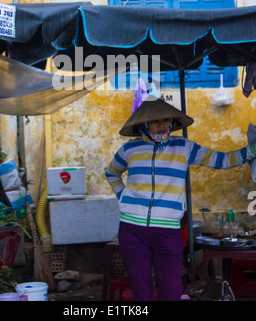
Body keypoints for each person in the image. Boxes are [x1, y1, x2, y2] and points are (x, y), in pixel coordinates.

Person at [105, 95, 256, 301]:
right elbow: (111, 173)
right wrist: (124, 198)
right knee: (141, 291)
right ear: (144, 124)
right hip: (132, 230)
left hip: (167, 231)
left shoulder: (184, 147)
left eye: (166, 120)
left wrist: (252, 150)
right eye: (156, 121)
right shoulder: (129, 149)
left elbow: (223, 160)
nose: (162, 125)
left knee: (171, 289)